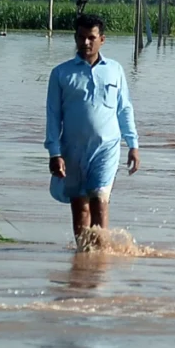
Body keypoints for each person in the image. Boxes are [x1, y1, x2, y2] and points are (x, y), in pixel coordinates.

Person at [46, 14, 140, 246]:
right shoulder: (61, 73)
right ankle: (83, 255)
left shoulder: (115, 70)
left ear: (102, 39)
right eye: (81, 37)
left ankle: (101, 255)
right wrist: (55, 153)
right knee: (80, 206)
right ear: (75, 38)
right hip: (73, 149)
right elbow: (53, 116)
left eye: (91, 38)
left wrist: (133, 145)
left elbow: (124, 109)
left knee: (99, 199)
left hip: (107, 148)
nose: (86, 43)